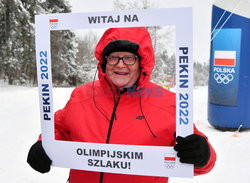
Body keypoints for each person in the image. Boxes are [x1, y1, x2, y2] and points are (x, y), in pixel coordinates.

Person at [27, 27, 216, 183]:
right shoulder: (81, 95)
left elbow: (200, 156)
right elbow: (59, 128)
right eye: (113, 57)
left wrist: (203, 155)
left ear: (142, 62)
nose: (120, 65)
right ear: (103, 62)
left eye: (129, 58)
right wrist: (43, 144)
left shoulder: (168, 103)